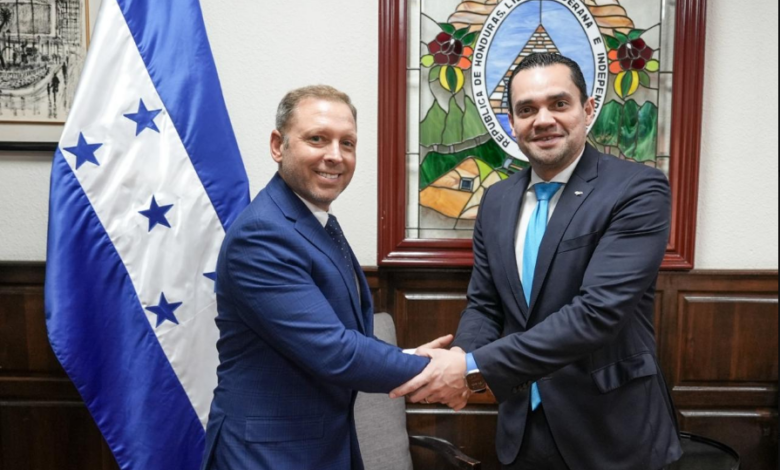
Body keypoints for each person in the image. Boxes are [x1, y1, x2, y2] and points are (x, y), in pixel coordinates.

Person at [391, 53, 682, 470]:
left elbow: (597, 313)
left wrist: (470, 366)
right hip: (522, 427)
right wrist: (461, 360)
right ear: (512, 123)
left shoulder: (637, 189)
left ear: (588, 109)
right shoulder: (496, 200)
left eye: (559, 103)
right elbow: (486, 305)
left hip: (611, 429)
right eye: (526, 110)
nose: (543, 120)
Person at [200, 85, 451, 470]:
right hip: (267, 455)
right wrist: (442, 370)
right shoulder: (262, 234)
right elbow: (335, 351)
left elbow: (339, 336)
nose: (335, 155)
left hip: (317, 447)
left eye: (347, 143)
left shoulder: (313, 221)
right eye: (317, 139)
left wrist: (409, 358)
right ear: (278, 145)